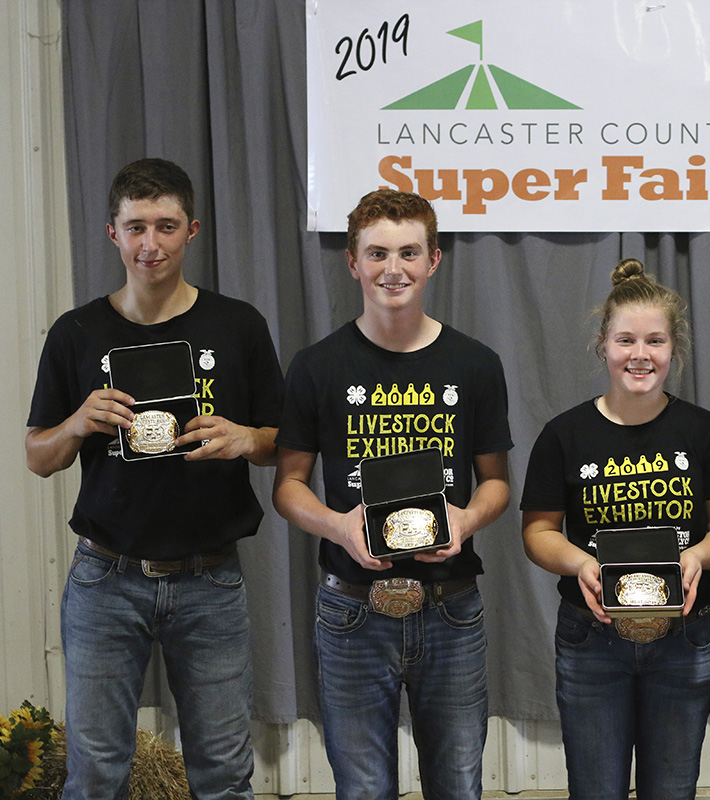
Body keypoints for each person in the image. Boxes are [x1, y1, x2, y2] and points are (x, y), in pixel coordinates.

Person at [24, 158, 283, 799]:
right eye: (136, 227)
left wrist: (246, 438)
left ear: (191, 231)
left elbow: (284, 443)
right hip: (105, 578)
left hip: (210, 579)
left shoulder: (238, 325)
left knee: (224, 773)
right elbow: (38, 456)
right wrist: (77, 422)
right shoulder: (76, 331)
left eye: (166, 226)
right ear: (112, 233)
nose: (151, 244)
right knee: (95, 774)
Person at [272, 189, 511, 800]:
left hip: (451, 607)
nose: (393, 268)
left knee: (457, 787)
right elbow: (289, 487)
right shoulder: (316, 366)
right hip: (351, 609)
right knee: (362, 790)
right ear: (353, 262)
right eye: (377, 253)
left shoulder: (475, 364)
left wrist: (465, 520)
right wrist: (339, 527)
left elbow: (496, 484)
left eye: (409, 252)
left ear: (434, 260)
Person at [521, 259, 710, 800]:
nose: (640, 355)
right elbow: (538, 532)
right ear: (603, 345)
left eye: (654, 341)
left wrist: (697, 557)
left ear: (673, 348)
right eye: (625, 340)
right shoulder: (564, 435)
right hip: (592, 638)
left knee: (672, 789)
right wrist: (580, 562)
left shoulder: (706, 432)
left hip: (683, 637)